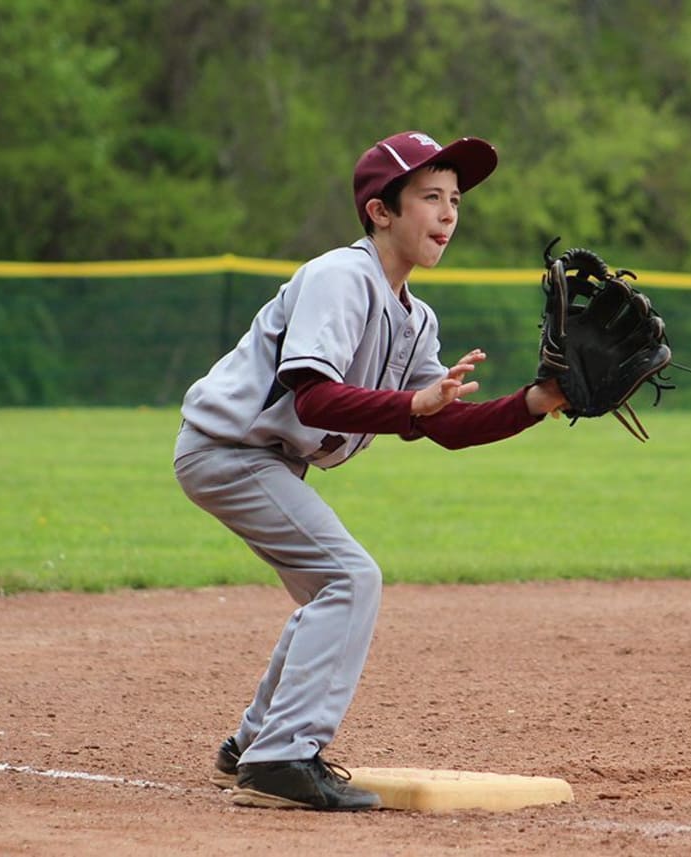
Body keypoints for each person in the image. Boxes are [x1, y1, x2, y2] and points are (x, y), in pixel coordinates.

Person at [174, 130, 567, 810]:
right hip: (228, 449)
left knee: (329, 589)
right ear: (380, 211)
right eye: (429, 197)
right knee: (349, 577)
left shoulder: (416, 318)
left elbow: (444, 425)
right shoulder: (340, 276)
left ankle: (255, 742)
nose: (448, 214)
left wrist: (536, 401)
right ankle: (280, 759)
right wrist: (412, 403)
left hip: (266, 459)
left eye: (454, 200)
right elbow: (314, 393)